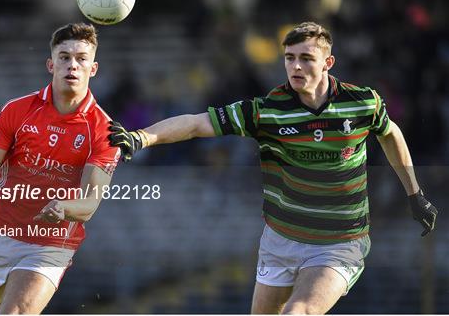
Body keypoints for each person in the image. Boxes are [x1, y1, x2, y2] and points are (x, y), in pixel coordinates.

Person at [108, 22, 438, 314]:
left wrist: (415, 194)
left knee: (300, 311)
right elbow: (197, 124)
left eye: (306, 58)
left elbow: (390, 132)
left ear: (328, 63)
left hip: (340, 241)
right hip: (281, 239)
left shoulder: (362, 101)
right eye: (290, 58)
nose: (296, 66)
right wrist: (142, 137)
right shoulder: (267, 111)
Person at [0, 23, 120, 314]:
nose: (72, 65)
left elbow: (90, 202)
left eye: (81, 58)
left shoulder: (104, 130)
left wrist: (65, 208)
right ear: (50, 64)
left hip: (48, 245)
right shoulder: (17, 110)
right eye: (64, 57)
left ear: (93, 69)